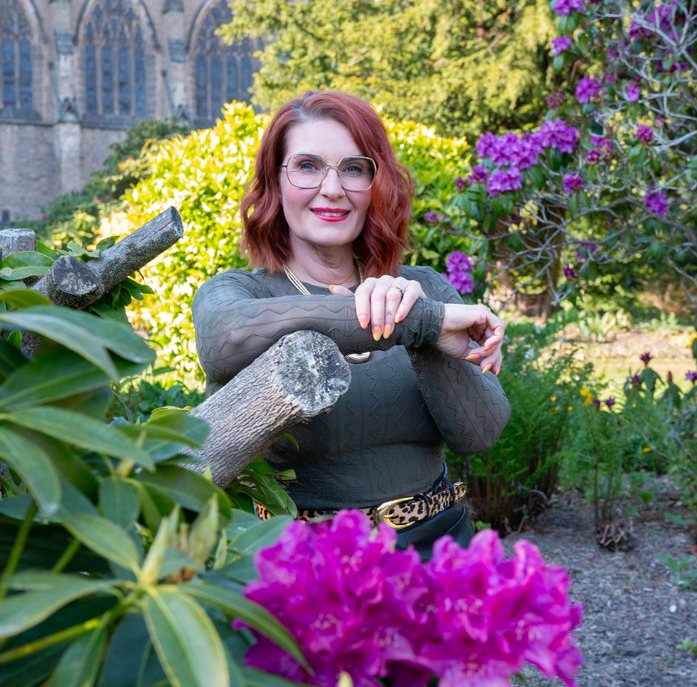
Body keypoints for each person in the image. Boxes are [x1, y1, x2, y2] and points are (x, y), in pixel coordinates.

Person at [193, 90, 510, 563]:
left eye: (354, 168)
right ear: (274, 184)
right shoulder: (238, 295)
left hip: (437, 552)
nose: (333, 188)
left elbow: (480, 435)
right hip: (303, 564)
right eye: (307, 166)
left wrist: (426, 333)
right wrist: (417, 324)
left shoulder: (424, 288)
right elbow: (224, 340)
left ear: (375, 186)